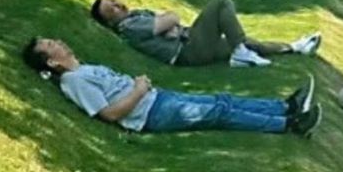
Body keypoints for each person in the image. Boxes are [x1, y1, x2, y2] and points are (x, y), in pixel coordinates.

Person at [22, 38, 323, 137]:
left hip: (156, 98)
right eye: (51, 45)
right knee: (218, 111)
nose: (58, 42)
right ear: (51, 63)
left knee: (221, 100)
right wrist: (138, 90)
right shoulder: (73, 81)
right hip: (149, 112)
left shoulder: (82, 69)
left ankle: (284, 107)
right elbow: (109, 114)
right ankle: (289, 125)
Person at [90, 0, 322, 68]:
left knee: (248, 42)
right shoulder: (129, 26)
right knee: (220, 3)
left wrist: (170, 25)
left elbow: (169, 23)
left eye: (114, 1)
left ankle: (295, 48)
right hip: (188, 50)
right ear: (111, 22)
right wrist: (169, 23)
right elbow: (172, 17)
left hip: (186, 40)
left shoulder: (136, 15)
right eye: (112, 10)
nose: (118, 5)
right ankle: (240, 52)